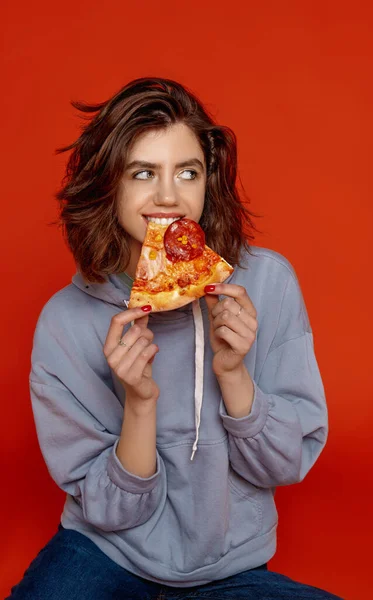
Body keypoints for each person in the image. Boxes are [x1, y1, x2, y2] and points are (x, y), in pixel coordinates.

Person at [7, 77, 343, 599]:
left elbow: (286, 463)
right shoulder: (64, 320)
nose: (169, 197)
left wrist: (234, 375)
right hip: (104, 551)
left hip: (231, 563)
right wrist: (139, 404)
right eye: (143, 173)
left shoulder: (268, 282)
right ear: (108, 185)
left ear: (208, 182)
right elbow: (111, 511)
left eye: (188, 172)